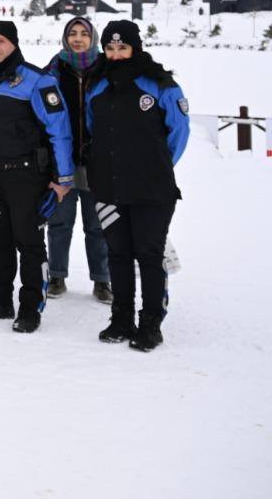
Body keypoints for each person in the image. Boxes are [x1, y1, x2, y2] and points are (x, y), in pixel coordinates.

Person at [85, 20, 189, 352]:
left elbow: (178, 132)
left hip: (151, 188)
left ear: (136, 48)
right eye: (110, 48)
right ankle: (121, 319)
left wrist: (156, 165)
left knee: (148, 255)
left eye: (122, 48)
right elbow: (92, 129)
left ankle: (150, 324)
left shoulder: (160, 84)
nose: (115, 54)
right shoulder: (97, 85)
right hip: (108, 187)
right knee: (117, 254)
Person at [0, 20, 75, 334]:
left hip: (26, 176)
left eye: (0, 41)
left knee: (28, 243)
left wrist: (64, 179)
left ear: (13, 43)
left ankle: (30, 308)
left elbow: (59, 131)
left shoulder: (38, 80)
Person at [44, 17, 112, 302]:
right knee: (60, 223)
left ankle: (101, 280)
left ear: (93, 38)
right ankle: (57, 275)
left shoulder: (106, 69)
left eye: (84, 33)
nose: (78, 38)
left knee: (98, 226)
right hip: (64, 162)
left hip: (98, 162)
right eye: (72, 33)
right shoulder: (54, 69)